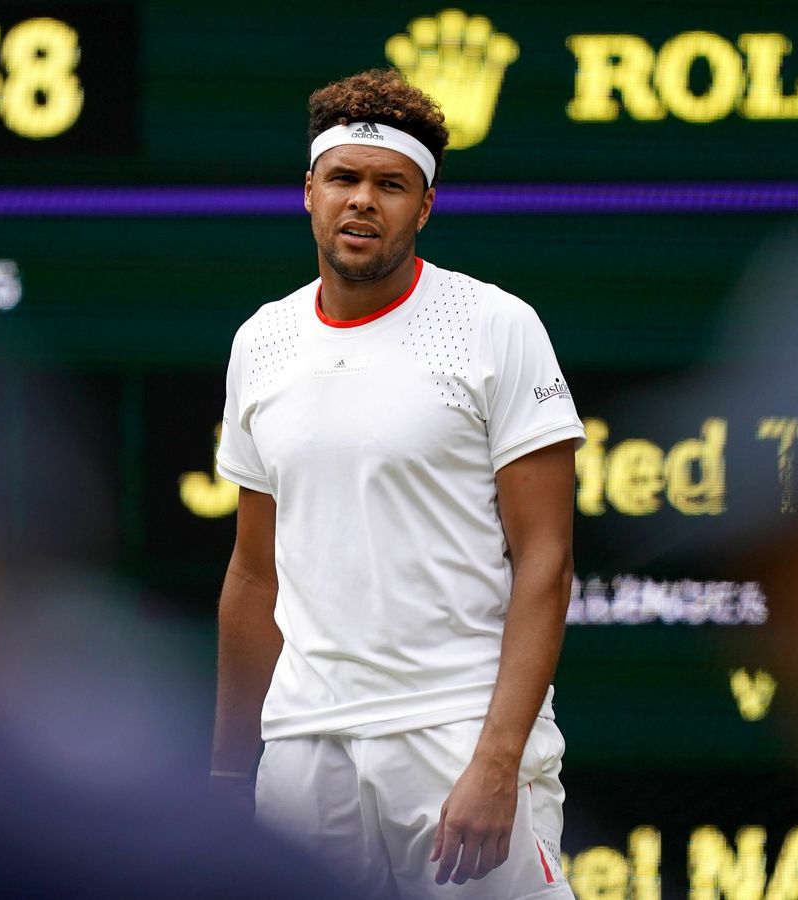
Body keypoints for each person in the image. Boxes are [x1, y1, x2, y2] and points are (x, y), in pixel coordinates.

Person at [210, 69, 583, 899]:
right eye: (344, 178)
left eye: (391, 184)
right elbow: (253, 574)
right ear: (309, 192)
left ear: (425, 206)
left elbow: (547, 561)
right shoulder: (260, 341)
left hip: (458, 733)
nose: (362, 201)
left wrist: (497, 761)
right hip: (302, 747)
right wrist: (228, 777)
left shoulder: (497, 325)